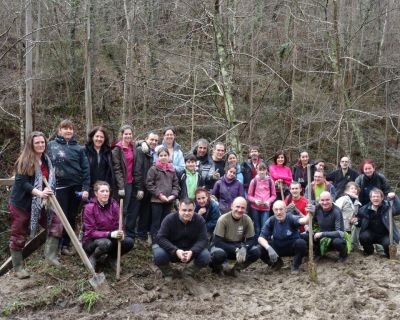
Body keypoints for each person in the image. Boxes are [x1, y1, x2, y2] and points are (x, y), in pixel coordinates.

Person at [8, 131, 63, 279]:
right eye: (37, 143)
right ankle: (18, 268)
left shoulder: (46, 160)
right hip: (22, 204)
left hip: (41, 203)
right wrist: (39, 193)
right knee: (19, 234)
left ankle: (50, 258)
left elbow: (47, 178)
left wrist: (47, 190)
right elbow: (22, 183)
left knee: (56, 223)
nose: (40, 145)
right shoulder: (24, 160)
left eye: (42, 142)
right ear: (31, 145)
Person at [48, 119, 90, 256]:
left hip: (76, 187)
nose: (68, 131)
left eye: (70, 128)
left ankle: (65, 245)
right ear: (59, 130)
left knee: (71, 216)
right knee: (59, 216)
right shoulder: (50, 146)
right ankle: (55, 247)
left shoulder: (79, 148)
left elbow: (85, 170)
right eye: (65, 128)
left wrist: (85, 188)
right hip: (58, 187)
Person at [152, 199, 210, 280]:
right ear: (179, 208)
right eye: (184, 210)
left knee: (205, 256)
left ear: (194, 209)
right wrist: (175, 250)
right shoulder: (169, 219)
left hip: (190, 251)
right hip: (172, 250)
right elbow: (160, 238)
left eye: (190, 210)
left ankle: (188, 272)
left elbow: (203, 239)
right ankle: (169, 273)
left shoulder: (199, 220)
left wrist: (192, 251)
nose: (187, 213)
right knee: (159, 255)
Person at [82, 181, 134, 271]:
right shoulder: (89, 208)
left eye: (107, 191)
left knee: (129, 242)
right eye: (102, 191)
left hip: (110, 237)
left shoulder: (114, 205)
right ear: (96, 193)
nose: (105, 194)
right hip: (92, 241)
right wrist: (109, 234)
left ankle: (111, 258)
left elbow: (119, 224)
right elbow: (91, 232)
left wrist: (121, 233)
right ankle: (94, 257)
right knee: (105, 243)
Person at [209, 197, 261, 276]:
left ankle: (236, 268)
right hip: (223, 245)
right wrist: (236, 250)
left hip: (238, 244)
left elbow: (252, 239)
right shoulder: (223, 219)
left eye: (242, 208)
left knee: (256, 251)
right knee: (218, 255)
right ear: (232, 206)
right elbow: (217, 241)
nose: (240, 210)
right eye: (237, 207)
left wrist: (245, 248)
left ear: (246, 209)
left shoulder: (247, 219)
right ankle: (218, 268)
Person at [258, 201, 309, 273]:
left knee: (301, 243)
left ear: (285, 209)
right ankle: (276, 263)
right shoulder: (271, 220)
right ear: (273, 210)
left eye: (281, 209)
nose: (278, 212)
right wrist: (269, 248)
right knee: (260, 248)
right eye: (276, 210)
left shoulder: (291, 218)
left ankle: (296, 265)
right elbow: (260, 238)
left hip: (291, 247)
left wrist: (310, 213)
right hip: (278, 248)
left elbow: (304, 221)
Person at [129, 132, 159, 240]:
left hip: (149, 188)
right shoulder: (141, 151)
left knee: (145, 213)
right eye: (152, 139)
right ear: (146, 139)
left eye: (156, 140)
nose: (154, 142)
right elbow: (137, 170)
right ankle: (130, 236)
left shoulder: (154, 153)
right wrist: (139, 188)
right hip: (139, 187)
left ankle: (141, 236)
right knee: (134, 211)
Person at [146, 147, 180, 241]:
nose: (163, 157)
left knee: (165, 222)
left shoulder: (172, 170)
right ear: (157, 157)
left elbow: (176, 185)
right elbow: (149, 184)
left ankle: (163, 241)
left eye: (165, 155)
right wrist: (160, 195)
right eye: (161, 155)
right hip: (156, 201)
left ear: (169, 157)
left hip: (169, 201)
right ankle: (155, 241)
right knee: (156, 222)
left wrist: (173, 195)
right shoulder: (153, 169)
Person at [357, 188, 399, 258]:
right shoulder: (364, 209)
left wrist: (395, 197)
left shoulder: (388, 207)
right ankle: (369, 252)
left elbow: (398, 209)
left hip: (385, 235)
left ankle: (388, 254)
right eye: (373, 196)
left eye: (378, 196)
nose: (376, 198)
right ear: (370, 198)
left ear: (382, 198)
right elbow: (359, 222)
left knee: (388, 243)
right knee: (363, 236)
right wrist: (356, 221)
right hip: (371, 234)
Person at [112, 125, 137, 236]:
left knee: (128, 209)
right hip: (121, 184)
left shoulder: (133, 146)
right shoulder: (117, 149)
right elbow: (117, 168)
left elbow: (141, 142)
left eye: (130, 134)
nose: (128, 136)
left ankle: (125, 231)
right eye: (126, 134)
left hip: (131, 182)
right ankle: (118, 230)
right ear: (121, 135)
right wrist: (121, 186)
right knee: (121, 209)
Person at [310, 191, 348, 262]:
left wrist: (322, 234)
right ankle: (318, 254)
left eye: (327, 200)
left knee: (338, 242)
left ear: (332, 199)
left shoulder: (337, 211)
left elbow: (340, 233)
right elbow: (312, 222)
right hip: (321, 235)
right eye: (322, 200)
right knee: (308, 236)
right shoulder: (317, 208)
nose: (325, 202)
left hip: (334, 237)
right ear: (319, 201)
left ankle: (343, 255)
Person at [84, 126, 115, 198]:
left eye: (102, 137)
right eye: (97, 136)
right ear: (92, 137)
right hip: (89, 188)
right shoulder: (84, 150)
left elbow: (110, 171)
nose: (99, 139)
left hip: (104, 189)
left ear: (105, 139)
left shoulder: (108, 152)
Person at [247, 163, 276, 236]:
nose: (262, 172)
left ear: (266, 170)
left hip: (266, 208)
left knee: (264, 226)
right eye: (260, 170)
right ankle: (257, 243)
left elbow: (273, 195)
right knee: (257, 227)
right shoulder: (254, 181)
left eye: (264, 170)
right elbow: (249, 196)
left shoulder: (270, 181)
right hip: (255, 208)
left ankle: (263, 242)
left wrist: (268, 201)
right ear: (257, 170)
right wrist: (255, 201)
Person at [334, 182, 362, 250]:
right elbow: (335, 210)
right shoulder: (343, 199)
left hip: (350, 225)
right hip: (341, 225)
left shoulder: (357, 202)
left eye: (355, 188)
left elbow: (356, 214)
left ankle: (354, 245)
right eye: (351, 188)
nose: (354, 190)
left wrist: (355, 219)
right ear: (347, 190)